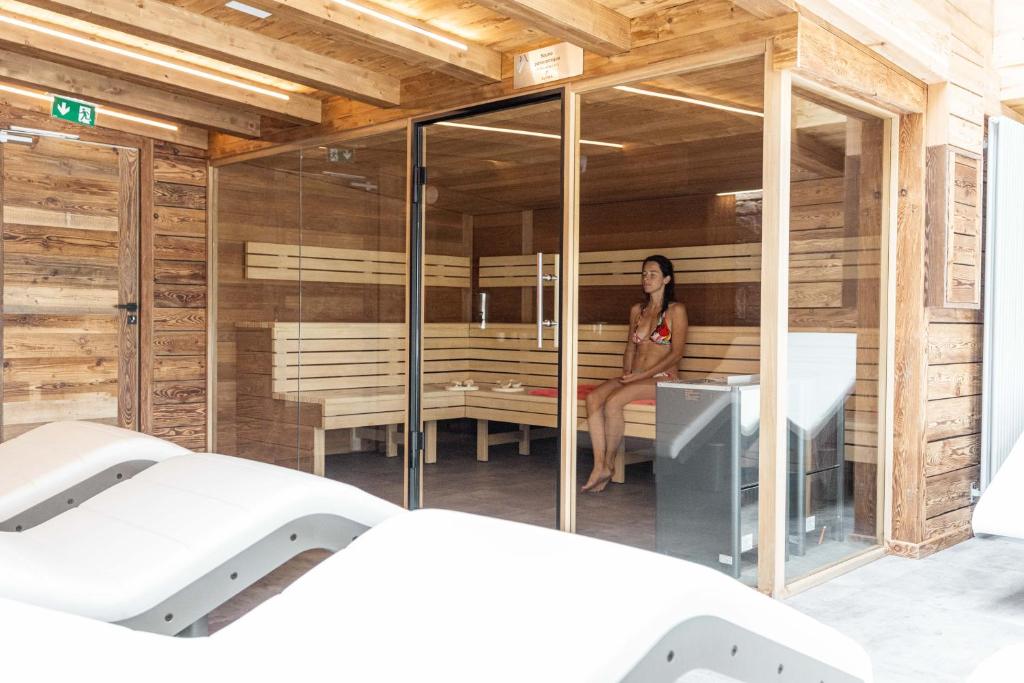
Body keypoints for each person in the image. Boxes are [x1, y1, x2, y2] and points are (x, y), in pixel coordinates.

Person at [582, 255, 688, 493]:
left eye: (653, 274)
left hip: (663, 378)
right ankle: (599, 465)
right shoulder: (637, 311)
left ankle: (609, 464)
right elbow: (630, 347)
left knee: (613, 402)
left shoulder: (676, 310)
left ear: (667, 279)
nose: (646, 279)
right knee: (593, 398)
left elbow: (677, 353)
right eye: (644, 274)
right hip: (637, 376)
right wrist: (627, 374)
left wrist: (640, 376)